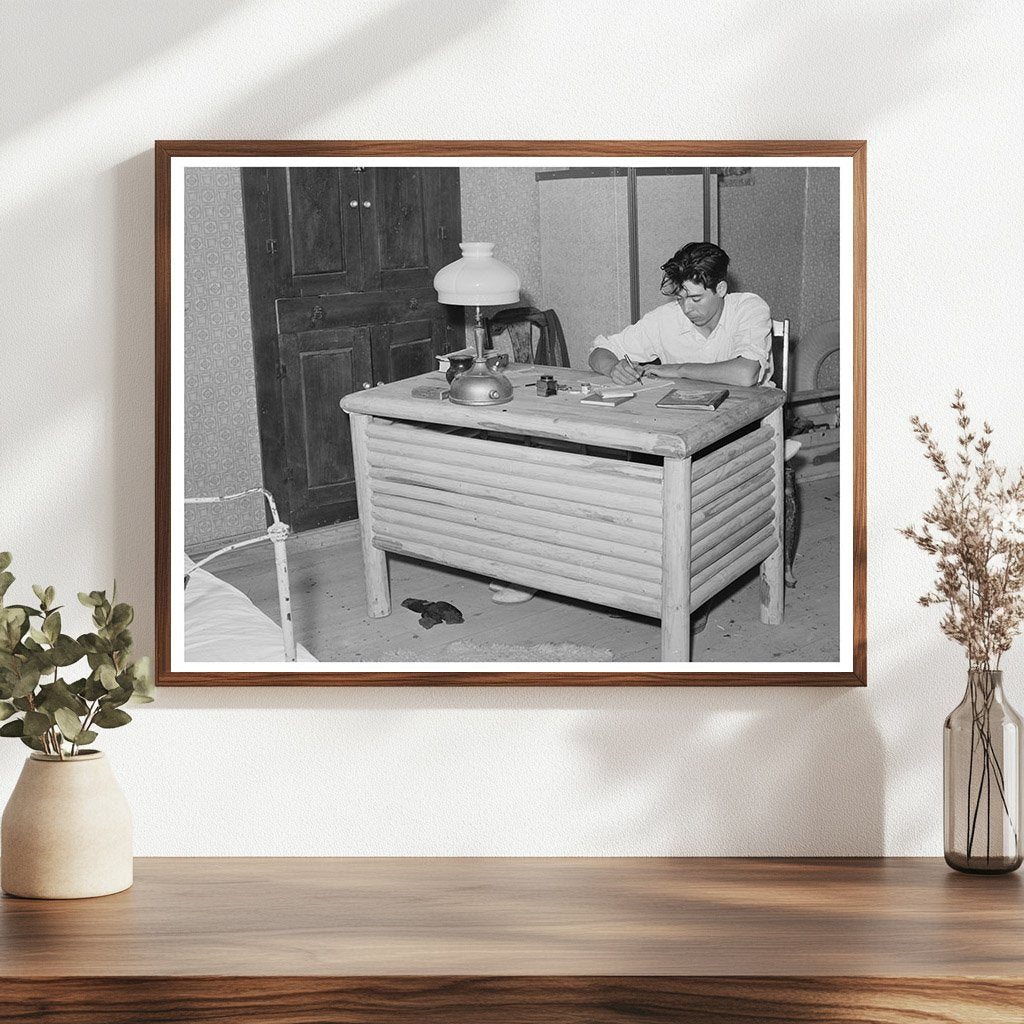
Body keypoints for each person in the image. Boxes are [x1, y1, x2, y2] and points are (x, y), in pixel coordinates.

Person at [588, 241, 772, 387]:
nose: (686, 308)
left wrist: (679, 370)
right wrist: (614, 368)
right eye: (680, 299)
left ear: (721, 289)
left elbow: (746, 374)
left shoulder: (749, 308)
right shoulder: (666, 318)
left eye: (696, 298)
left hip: (751, 420)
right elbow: (599, 351)